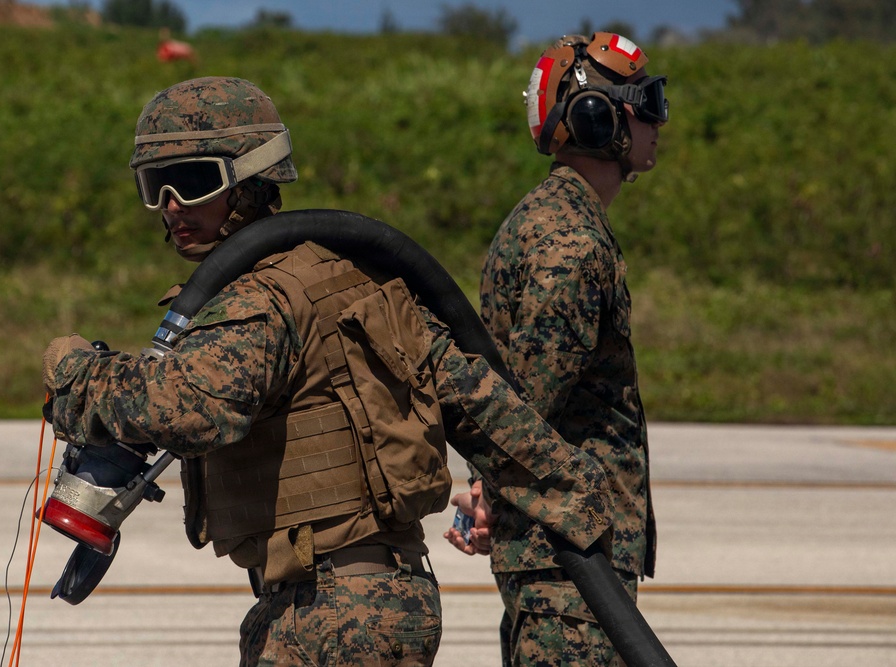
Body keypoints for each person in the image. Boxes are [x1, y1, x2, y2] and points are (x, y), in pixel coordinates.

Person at [41, 76, 616, 667]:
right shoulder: (354, 279)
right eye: (152, 186)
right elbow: (484, 405)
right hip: (383, 604)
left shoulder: (259, 298)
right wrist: (579, 499)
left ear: (251, 178)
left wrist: (76, 375)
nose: (170, 205)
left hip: (325, 615)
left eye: (192, 182)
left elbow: (187, 410)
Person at [444, 32, 669, 666]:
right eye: (644, 103)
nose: (657, 120)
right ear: (599, 119)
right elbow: (526, 407)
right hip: (568, 570)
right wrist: (490, 492)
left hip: (563, 560)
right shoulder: (567, 243)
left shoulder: (556, 221)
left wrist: (488, 492)